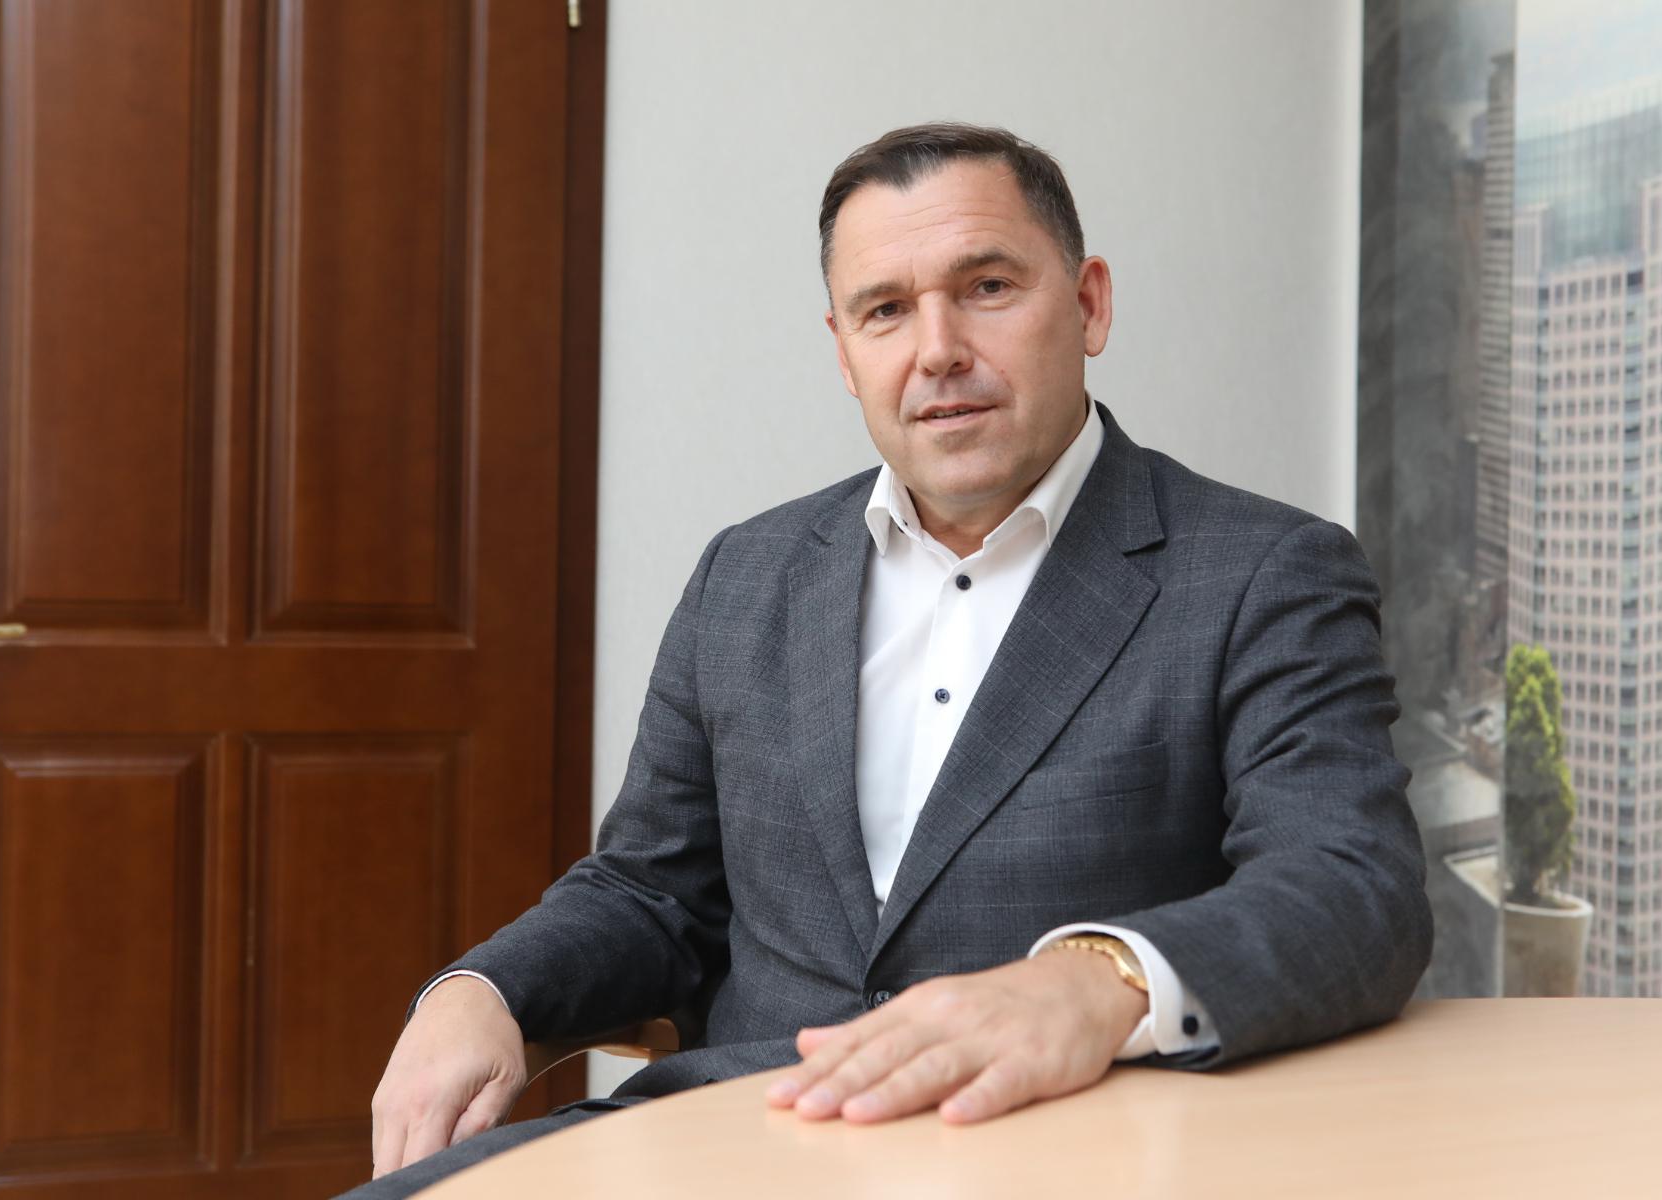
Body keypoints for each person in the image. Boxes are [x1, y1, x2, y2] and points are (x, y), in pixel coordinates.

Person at [347, 123, 1431, 1198]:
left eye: (988, 287)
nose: (937, 349)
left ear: (1090, 303)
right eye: (885, 311)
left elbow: (1354, 885)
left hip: (1064, 1151)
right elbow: (651, 892)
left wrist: (1091, 982)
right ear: (844, 351)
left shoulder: (1263, 573)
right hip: (732, 1136)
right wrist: (483, 990)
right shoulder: (746, 574)